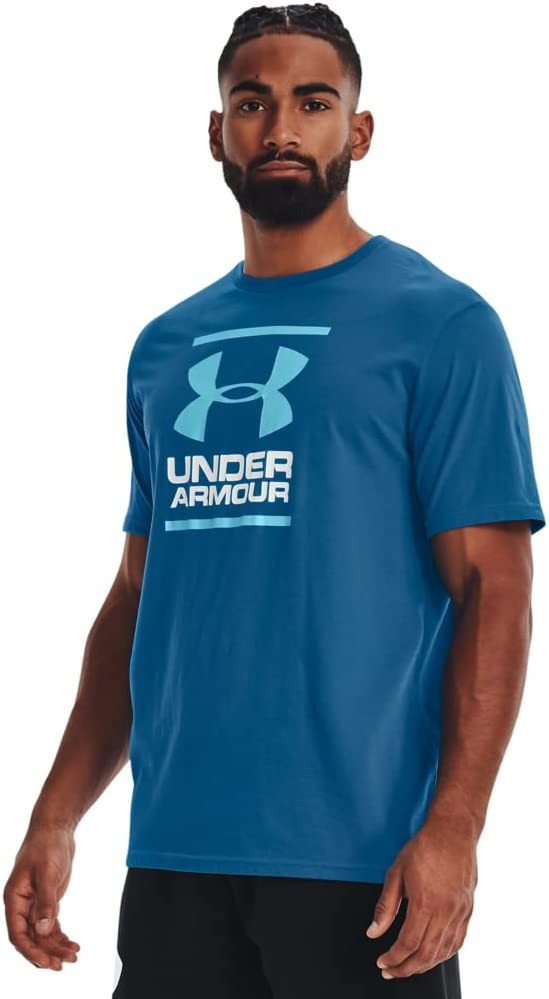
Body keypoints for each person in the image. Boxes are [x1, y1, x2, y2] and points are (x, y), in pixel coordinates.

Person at [3, 4, 545, 997]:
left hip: (362, 861)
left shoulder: (442, 326)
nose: (281, 128)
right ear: (217, 132)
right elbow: (139, 597)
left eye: (313, 103)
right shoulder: (166, 349)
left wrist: (456, 828)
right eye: (252, 104)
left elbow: (494, 590)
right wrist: (57, 813)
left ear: (359, 132)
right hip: (175, 856)